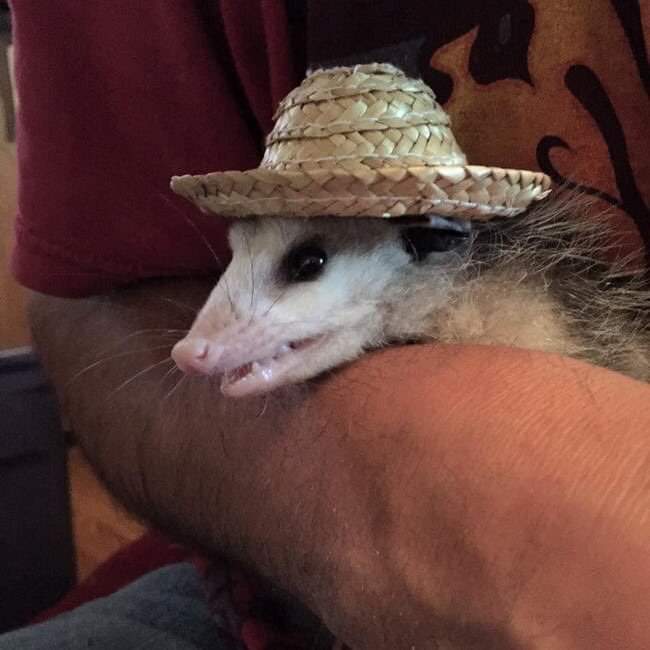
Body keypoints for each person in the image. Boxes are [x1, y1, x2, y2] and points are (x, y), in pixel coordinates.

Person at [4, 2, 650, 649]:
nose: (195, 348)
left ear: (424, 241)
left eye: (307, 265)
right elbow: (95, 295)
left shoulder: (501, 302)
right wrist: (350, 496)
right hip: (277, 581)